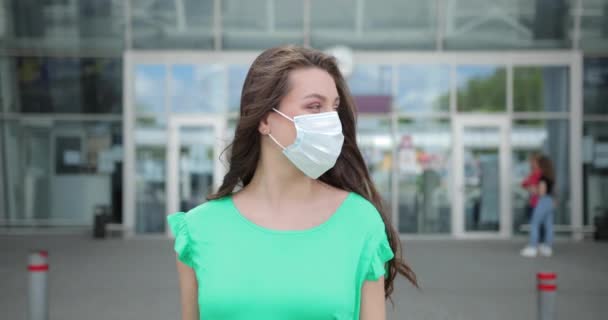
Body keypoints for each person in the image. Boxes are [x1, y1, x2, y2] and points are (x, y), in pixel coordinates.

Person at [166, 45, 417, 320]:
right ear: (263, 118)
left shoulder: (360, 220)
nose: (330, 121)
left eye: (334, 108)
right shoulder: (200, 228)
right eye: (314, 106)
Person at [520, 155, 556, 258]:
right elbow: (551, 191)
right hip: (549, 201)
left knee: (534, 224)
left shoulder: (543, 177)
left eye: (538, 163)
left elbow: (541, 192)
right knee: (548, 225)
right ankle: (547, 247)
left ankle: (533, 247)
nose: (535, 165)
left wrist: (532, 189)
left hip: (543, 201)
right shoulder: (550, 176)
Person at [521, 153, 544, 241]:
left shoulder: (540, 174)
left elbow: (541, 189)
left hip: (539, 202)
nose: (531, 164)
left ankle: (538, 243)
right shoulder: (533, 173)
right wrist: (530, 187)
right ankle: (538, 243)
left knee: (538, 224)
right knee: (535, 223)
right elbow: (524, 183)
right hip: (533, 201)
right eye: (531, 162)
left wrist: (533, 188)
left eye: (533, 162)